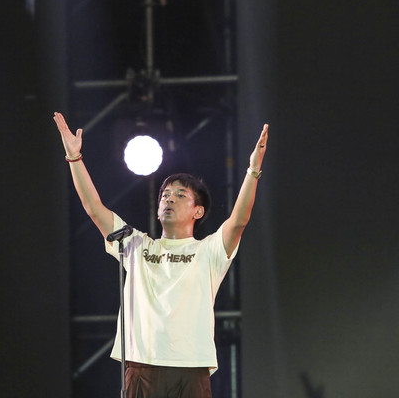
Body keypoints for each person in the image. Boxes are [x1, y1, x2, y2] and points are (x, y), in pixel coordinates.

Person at [53, 111, 268, 398]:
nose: (169, 199)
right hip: (142, 366)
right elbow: (94, 208)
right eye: (165, 195)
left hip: (191, 367)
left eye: (180, 195)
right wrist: (74, 158)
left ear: (198, 211)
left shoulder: (208, 250)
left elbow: (238, 221)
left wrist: (253, 171)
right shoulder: (135, 244)